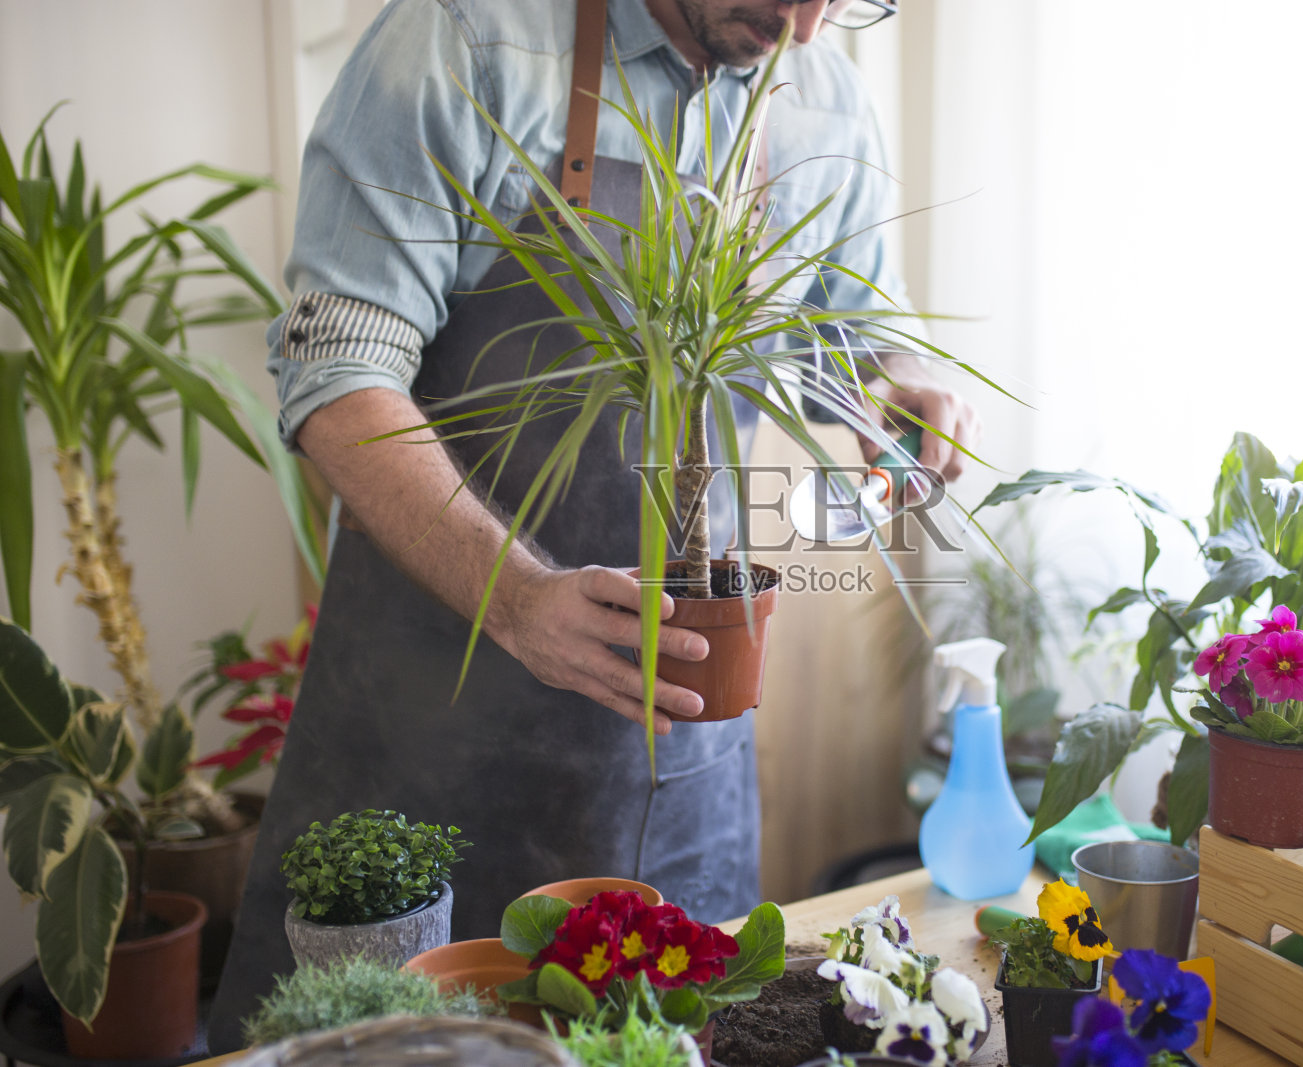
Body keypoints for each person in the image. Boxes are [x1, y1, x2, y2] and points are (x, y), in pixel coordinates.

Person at [209, 0, 981, 1047]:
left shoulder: (823, 93)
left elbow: (850, 327)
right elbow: (337, 374)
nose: (803, 29)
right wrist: (515, 594)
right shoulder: (465, 41)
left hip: (675, 758)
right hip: (431, 735)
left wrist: (899, 382)